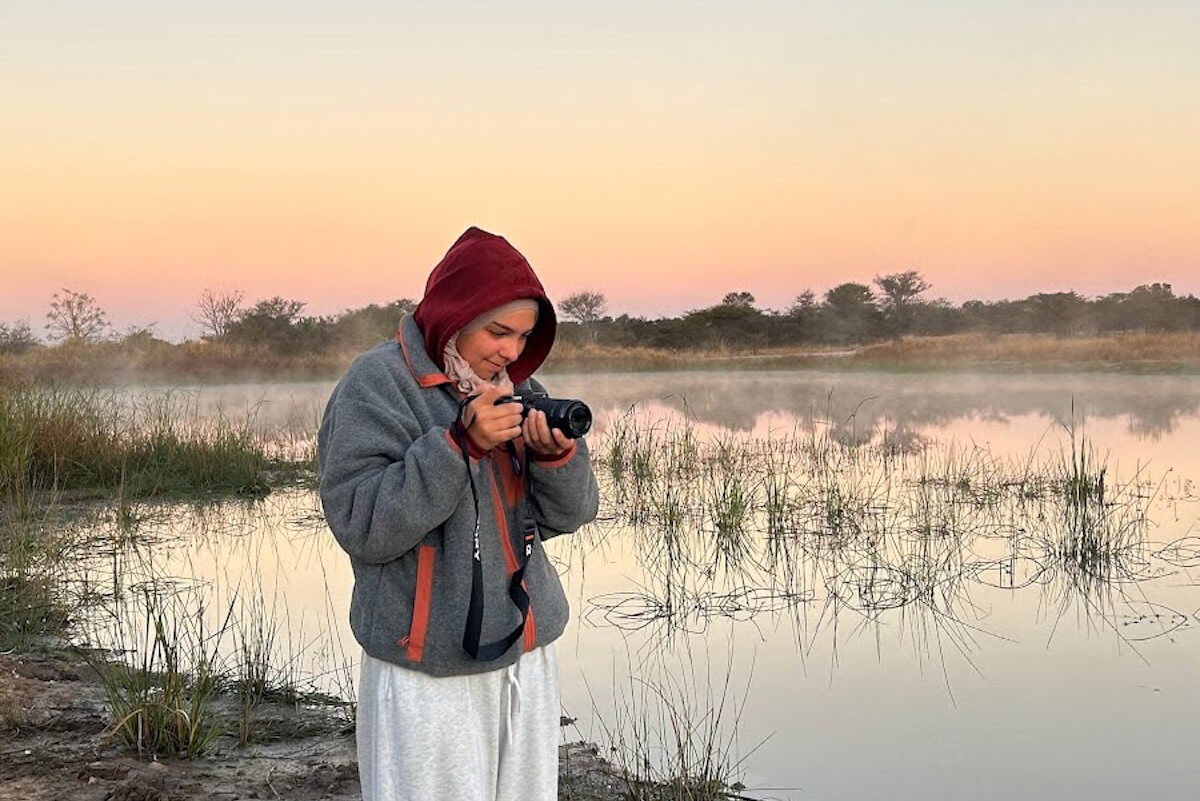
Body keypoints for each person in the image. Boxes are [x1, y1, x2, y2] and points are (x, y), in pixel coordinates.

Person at [317, 226, 599, 801]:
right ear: (453, 314)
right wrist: (456, 448)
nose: (512, 353)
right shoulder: (377, 385)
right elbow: (362, 525)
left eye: (523, 337)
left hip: (524, 646)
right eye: (498, 332)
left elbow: (571, 516)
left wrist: (556, 458)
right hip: (425, 661)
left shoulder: (517, 387)